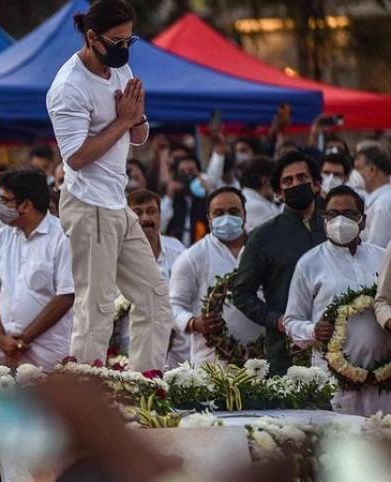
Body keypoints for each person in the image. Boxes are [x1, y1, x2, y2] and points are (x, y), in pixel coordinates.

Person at [47, 0, 171, 371]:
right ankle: (86, 389)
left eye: (129, 41)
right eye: (117, 42)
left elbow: (139, 136)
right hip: (88, 203)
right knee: (97, 305)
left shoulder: (120, 68)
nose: (124, 49)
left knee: (154, 296)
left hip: (117, 201)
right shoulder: (68, 87)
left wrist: (136, 118)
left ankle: (147, 382)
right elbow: (76, 158)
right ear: (91, 37)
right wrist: (123, 121)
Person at [284, 186, 388, 415]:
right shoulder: (309, 263)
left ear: (363, 220)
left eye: (349, 214)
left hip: (385, 380)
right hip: (335, 381)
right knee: (340, 436)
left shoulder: (383, 257)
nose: (340, 221)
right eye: (333, 214)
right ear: (324, 220)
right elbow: (291, 321)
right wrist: (313, 330)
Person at [232, 151, 326, 375]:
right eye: (288, 181)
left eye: (302, 178)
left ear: (315, 185)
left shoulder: (332, 228)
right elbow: (242, 293)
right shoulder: (263, 236)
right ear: (278, 193)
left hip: (336, 347)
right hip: (286, 351)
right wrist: (277, 320)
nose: (296, 184)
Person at [0, 170, 74, 370]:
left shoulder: (62, 237)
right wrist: (0, 338)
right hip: (3, 351)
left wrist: (23, 340)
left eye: (5, 200)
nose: (0, 206)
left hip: (46, 352)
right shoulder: (1, 237)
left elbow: (66, 296)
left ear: (26, 205)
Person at [169, 187, 264, 366]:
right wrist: (194, 323)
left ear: (244, 215)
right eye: (219, 213)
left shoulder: (263, 251)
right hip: (211, 365)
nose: (227, 218)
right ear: (209, 218)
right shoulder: (193, 257)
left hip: (262, 363)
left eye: (234, 211)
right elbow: (173, 306)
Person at [127, 189, 187, 367]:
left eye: (151, 211)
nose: (145, 218)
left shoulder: (177, 249)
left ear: (160, 215)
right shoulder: (118, 255)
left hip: (178, 349)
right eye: (138, 212)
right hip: (133, 345)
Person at [162, 156, 210, 246]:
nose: (187, 175)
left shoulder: (205, 200)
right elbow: (161, 226)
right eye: (182, 172)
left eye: (191, 171)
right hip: (175, 249)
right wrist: (169, 196)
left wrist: (209, 192)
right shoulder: (171, 200)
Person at [354, 146, 391, 248]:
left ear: (372, 170)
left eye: (359, 168)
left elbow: (377, 248)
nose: (355, 174)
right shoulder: (381, 199)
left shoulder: (382, 205)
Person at [240, 157, 280, 232]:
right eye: (276, 181)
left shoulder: (245, 198)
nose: (278, 187)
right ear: (265, 180)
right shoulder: (257, 207)